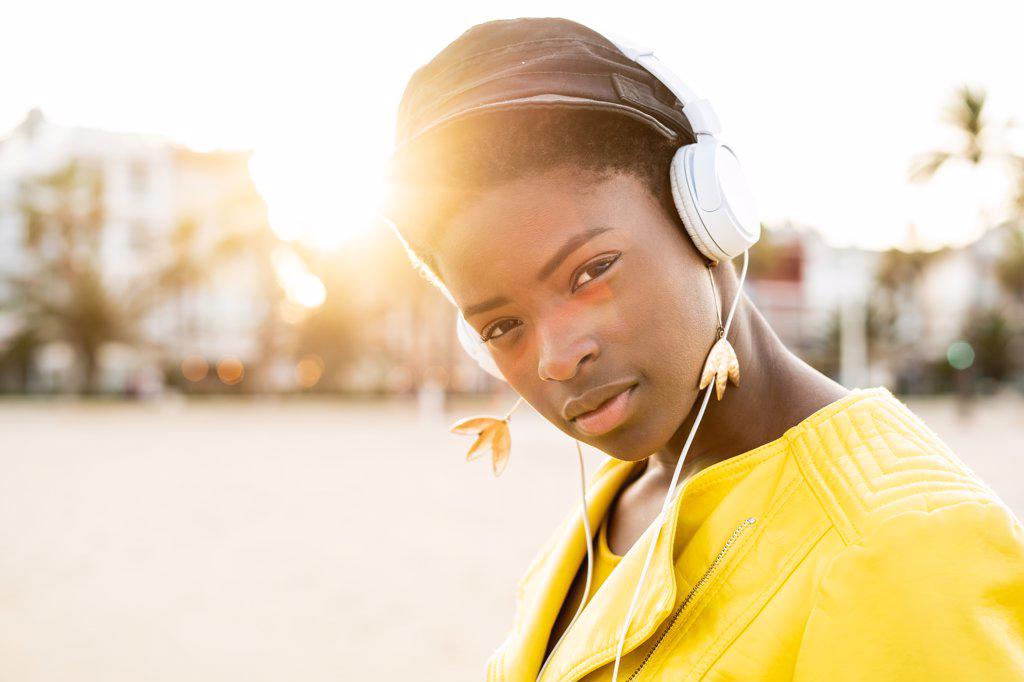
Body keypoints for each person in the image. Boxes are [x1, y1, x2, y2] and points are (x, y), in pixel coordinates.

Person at [382, 16, 1024, 682]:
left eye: (590, 272)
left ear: (706, 217)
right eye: (501, 327)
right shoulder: (625, 491)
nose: (555, 359)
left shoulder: (902, 543)